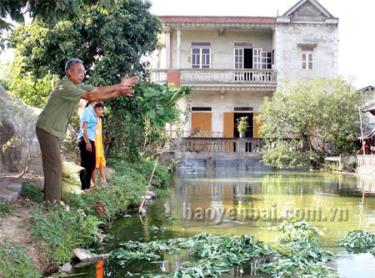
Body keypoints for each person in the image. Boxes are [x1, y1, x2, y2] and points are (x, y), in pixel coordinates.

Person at [36, 58, 138, 202]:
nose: (82, 74)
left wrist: (119, 87)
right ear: (68, 72)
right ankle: (52, 202)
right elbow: (91, 96)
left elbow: (96, 90)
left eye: (84, 71)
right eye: (79, 71)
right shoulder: (66, 86)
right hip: (47, 129)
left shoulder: (76, 86)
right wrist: (117, 92)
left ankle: (49, 196)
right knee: (55, 166)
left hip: (54, 130)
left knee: (52, 165)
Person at [78, 102, 98, 190]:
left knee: (92, 164)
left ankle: (87, 186)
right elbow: (83, 127)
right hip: (86, 139)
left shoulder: (93, 112)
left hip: (92, 139)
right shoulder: (86, 111)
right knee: (85, 164)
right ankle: (83, 186)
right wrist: (87, 142)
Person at [92, 101, 107, 187]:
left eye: (102, 109)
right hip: (94, 147)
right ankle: (94, 185)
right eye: (99, 109)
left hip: (100, 147)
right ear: (94, 110)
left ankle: (104, 182)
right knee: (94, 166)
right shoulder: (91, 120)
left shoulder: (100, 119)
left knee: (102, 164)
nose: (101, 111)